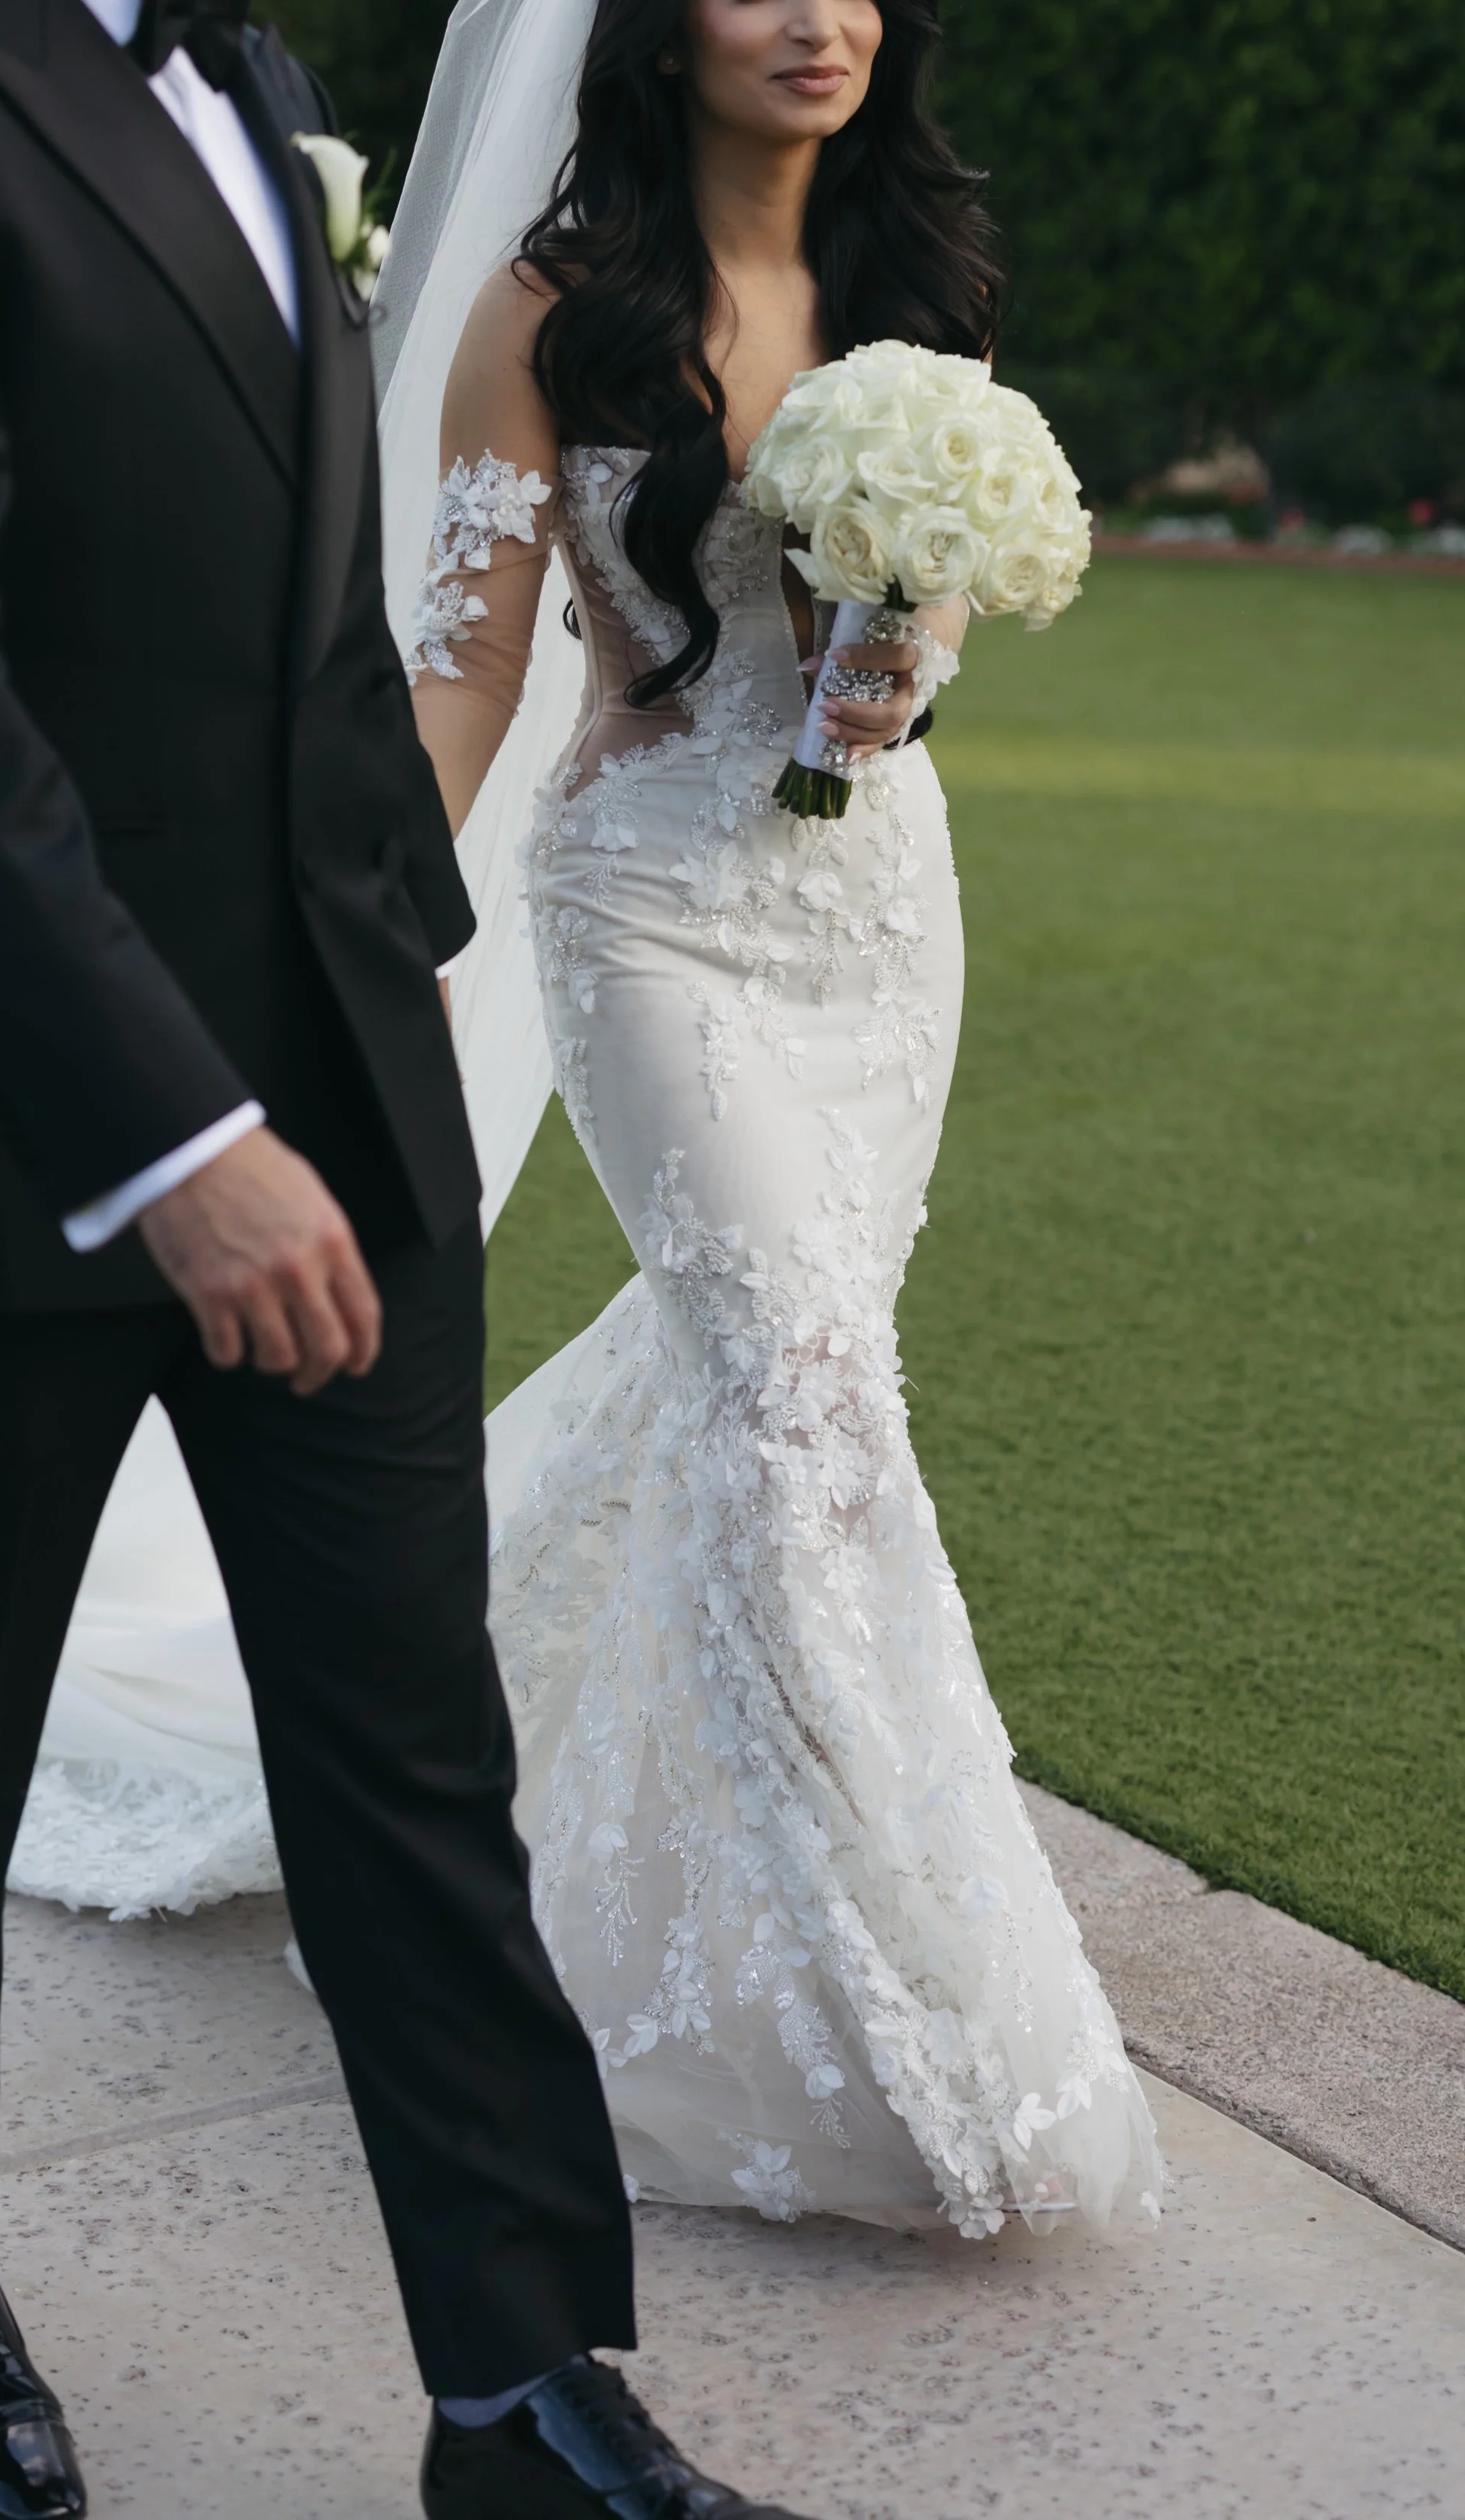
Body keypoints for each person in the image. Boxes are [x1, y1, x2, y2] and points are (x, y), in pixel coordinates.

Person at [0, 0, 819, 2514]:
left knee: (408, 1740)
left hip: (336, 1061)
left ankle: (522, 2387)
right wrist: (166, 1129)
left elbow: (317, 608)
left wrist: (375, 949)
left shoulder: (267, 95)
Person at [396, 0, 1166, 2243]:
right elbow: (463, 653)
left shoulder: (925, 275)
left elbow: (913, 623)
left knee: (748, 1382)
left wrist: (900, 659)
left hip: (878, 912)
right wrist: (363, 910)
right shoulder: (552, 307)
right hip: (651, 912)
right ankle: (889, 1997)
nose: (813, 13)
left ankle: (491, 1753)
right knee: (802, 1391)